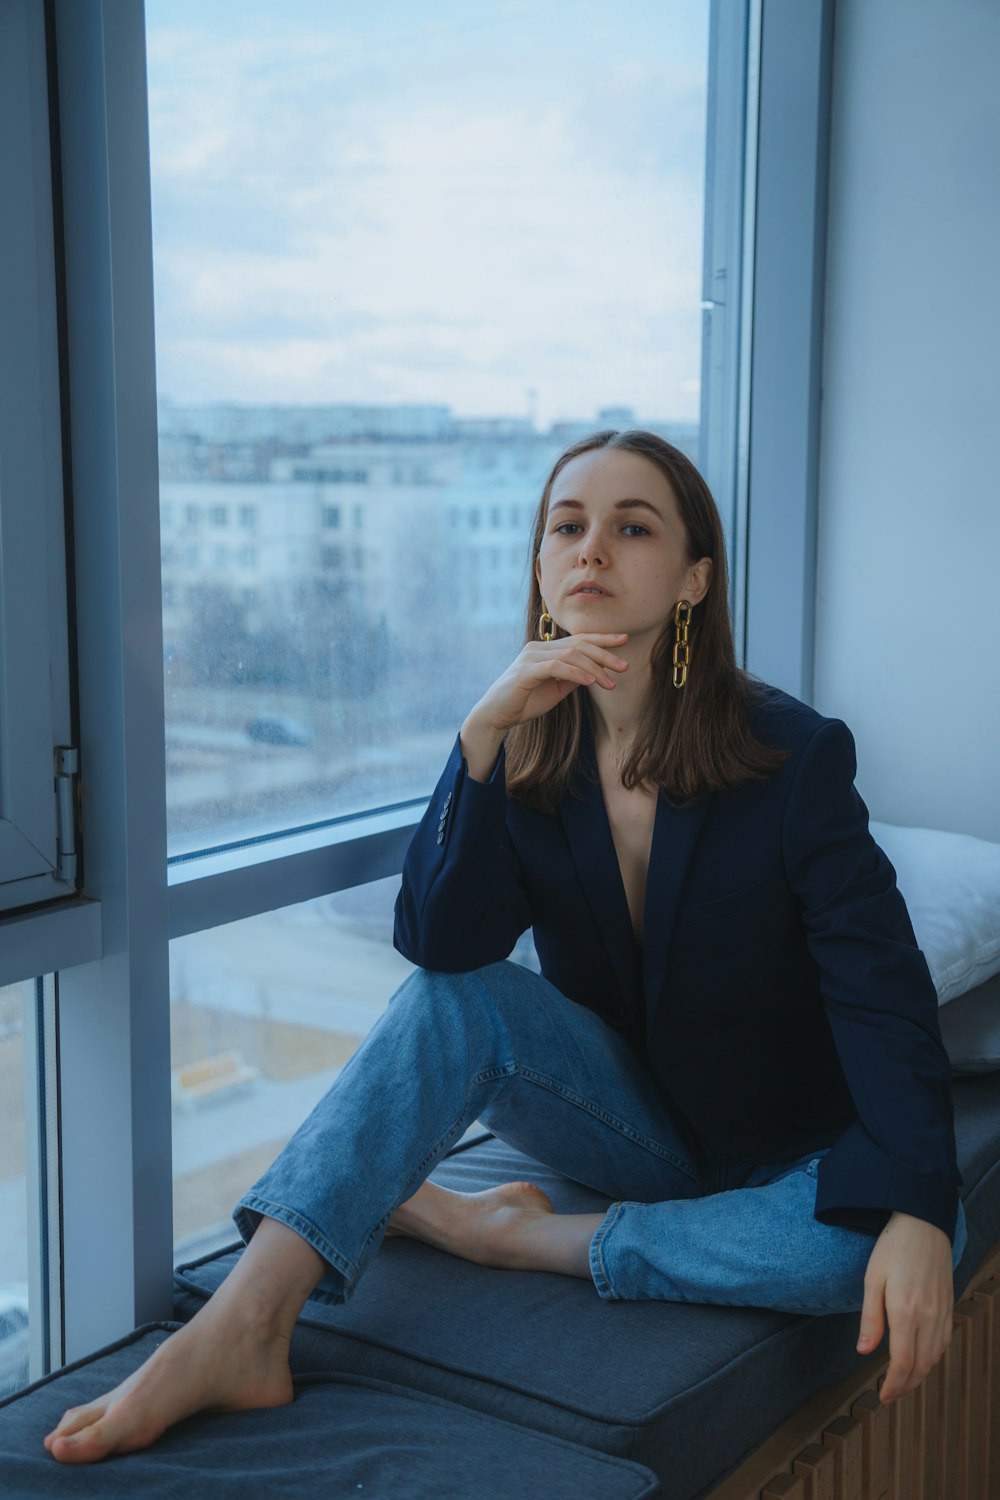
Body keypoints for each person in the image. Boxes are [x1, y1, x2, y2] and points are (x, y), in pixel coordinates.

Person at [44, 429, 966, 1466]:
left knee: (883, 1245)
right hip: (633, 1128)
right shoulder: (531, 746)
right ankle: (242, 1326)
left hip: (791, 1140)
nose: (591, 551)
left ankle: (507, 1233)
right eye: (567, 527)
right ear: (537, 565)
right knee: (457, 1002)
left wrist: (918, 1215)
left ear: (693, 578)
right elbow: (443, 949)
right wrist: (478, 738)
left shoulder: (793, 758)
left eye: (632, 527)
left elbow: (882, 997)